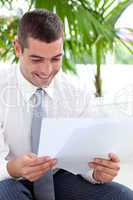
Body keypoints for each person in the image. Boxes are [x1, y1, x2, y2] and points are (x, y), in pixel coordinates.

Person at [0, 9, 133, 200]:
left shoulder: (76, 91)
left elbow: (85, 158)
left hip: (58, 177)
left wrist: (98, 173)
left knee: (122, 196)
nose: (47, 70)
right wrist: (14, 167)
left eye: (56, 59)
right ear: (18, 48)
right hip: (10, 179)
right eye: (36, 59)